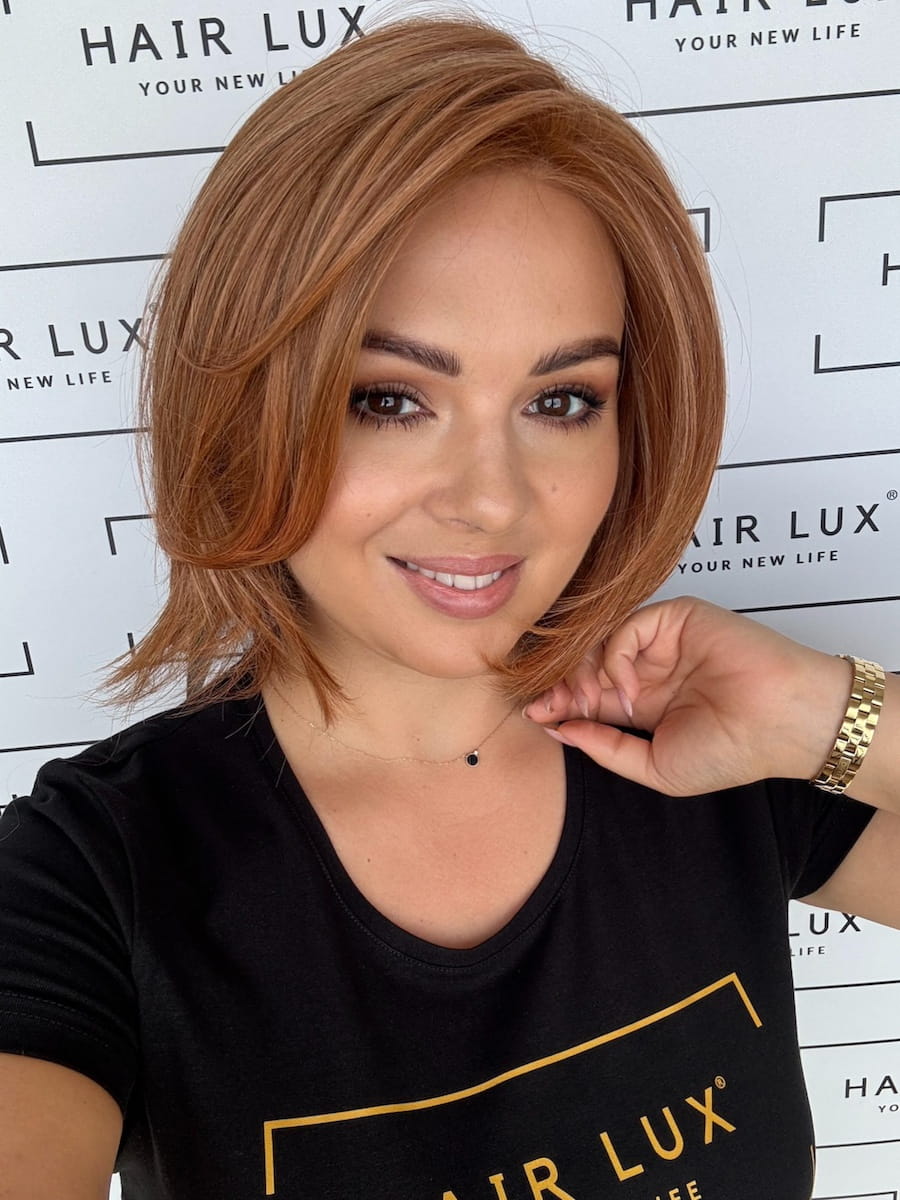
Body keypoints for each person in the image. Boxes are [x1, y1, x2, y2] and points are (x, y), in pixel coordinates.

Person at [0, 15, 897, 1200]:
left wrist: (829, 715)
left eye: (562, 402)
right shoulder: (96, 876)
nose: (490, 499)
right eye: (389, 399)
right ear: (251, 405)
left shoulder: (712, 755)